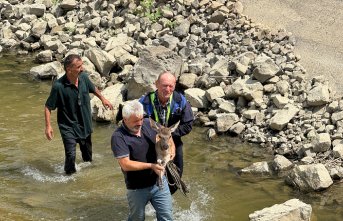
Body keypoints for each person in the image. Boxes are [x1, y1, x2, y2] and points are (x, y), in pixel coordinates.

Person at [44, 54, 113, 175]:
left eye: (82, 65)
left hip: (85, 124)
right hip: (68, 126)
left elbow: (93, 89)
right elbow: (48, 107)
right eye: (79, 66)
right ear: (69, 69)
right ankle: (69, 178)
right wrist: (48, 126)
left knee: (88, 159)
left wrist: (103, 98)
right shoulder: (58, 86)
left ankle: (88, 178)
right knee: (71, 155)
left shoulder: (84, 78)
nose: (83, 69)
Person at [111, 100, 173, 221]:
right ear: (125, 119)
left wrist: (172, 147)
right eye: (135, 121)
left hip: (158, 182)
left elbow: (166, 133)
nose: (140, 123)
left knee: (167, 217)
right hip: (136, 188)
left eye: (141, 119)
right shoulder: (118, 137)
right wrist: (151, 166)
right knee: (137, 219)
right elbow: (125, 164)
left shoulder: (147, 123)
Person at [139, 71, 194, 194]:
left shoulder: (181, 101)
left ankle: (167, 197)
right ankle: (151, 197)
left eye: (171, 86)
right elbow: (135, 124)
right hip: (150, 141)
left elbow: (188, 125)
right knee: (147, 175)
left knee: (176, 176)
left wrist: (171, 137)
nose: (168, 89)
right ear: (156, 84)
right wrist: (155, 136)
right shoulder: (144, 102)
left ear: (174, 86)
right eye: (164, 85)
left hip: (173, 138)